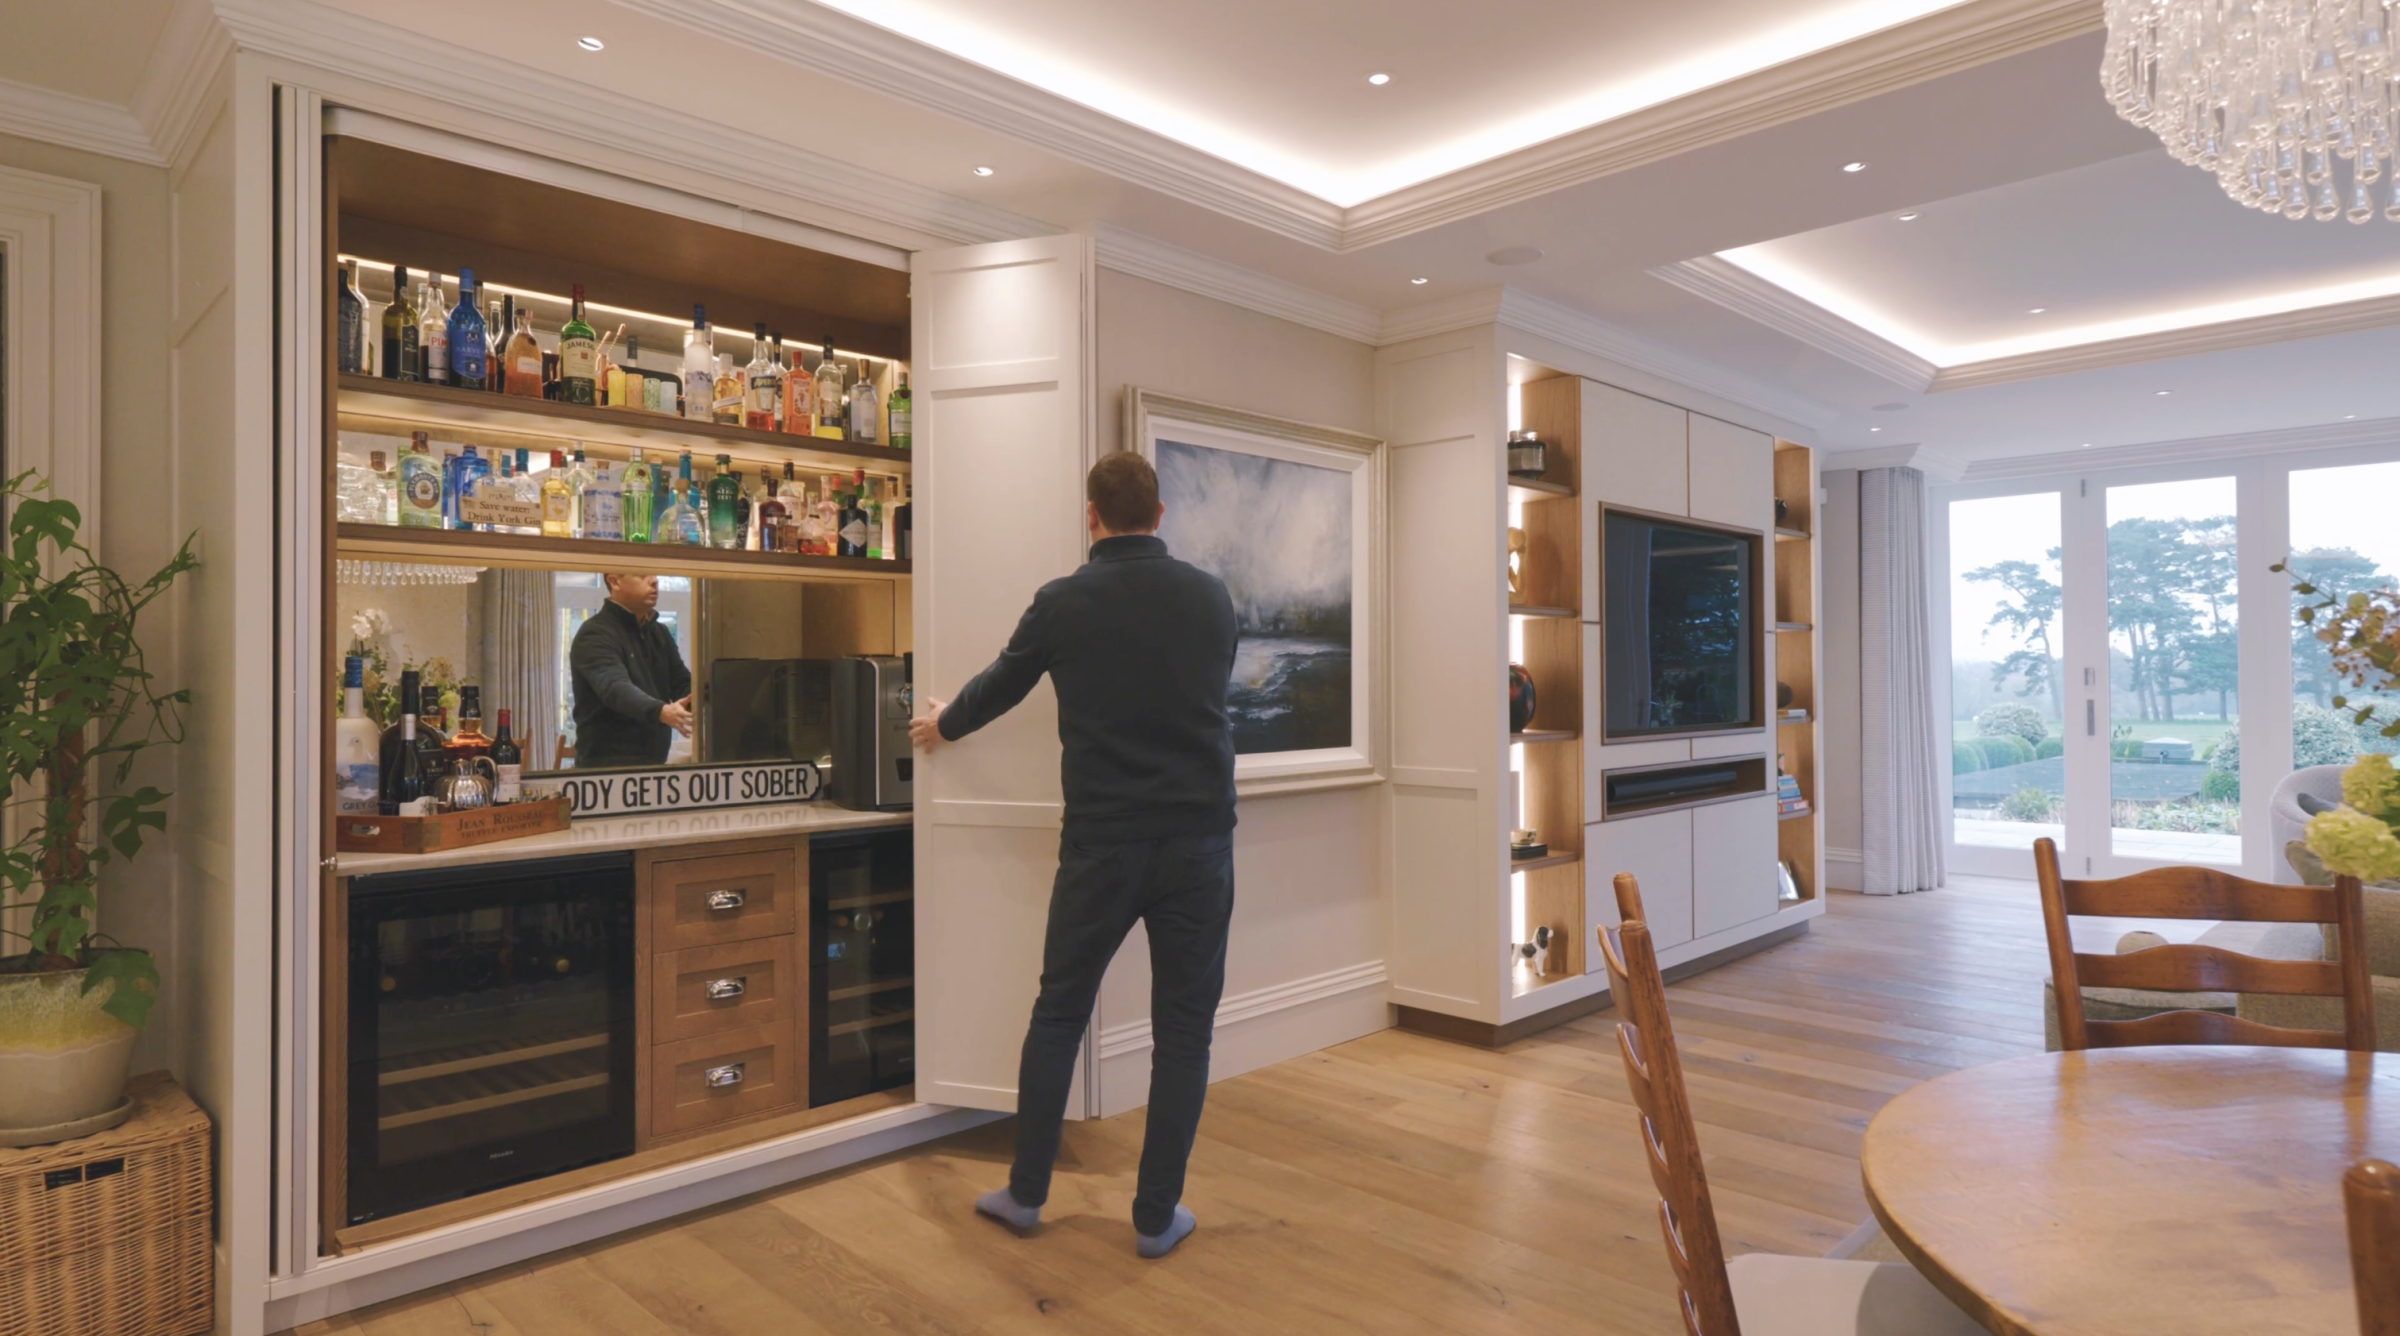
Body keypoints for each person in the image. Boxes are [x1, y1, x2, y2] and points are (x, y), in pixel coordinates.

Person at [911, 451, 1238, 1260]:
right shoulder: (1212, 597)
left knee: (1059, 1012)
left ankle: (1026, 1194)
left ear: (1090, 515)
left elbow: (1001, 684)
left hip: (1102, 844)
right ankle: (1157, 1217)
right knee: (1185, 1035)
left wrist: (942, 725)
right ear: (1159, 516)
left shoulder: (1062, 604)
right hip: (1199, 842)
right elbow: (1209, 692)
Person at [568, 572, 694, 768]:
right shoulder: (595, 633)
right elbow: (615, 687)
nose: (654, 580)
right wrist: (662, 711)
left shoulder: (659, 633)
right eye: (641, 574)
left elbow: (681, 682)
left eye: (654, 574)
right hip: (605, 771)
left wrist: (703, 701)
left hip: (653, 764)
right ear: (614, 581)